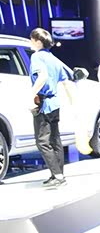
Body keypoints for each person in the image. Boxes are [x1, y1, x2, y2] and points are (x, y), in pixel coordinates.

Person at [28, 28, 74, 187]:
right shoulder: (53, 58)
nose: (30, 42)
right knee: (55, 140)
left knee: (42, 141)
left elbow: (42, 76)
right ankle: (58, 175)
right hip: (55, 103)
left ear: (37, 41)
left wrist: (31, 94)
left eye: (31, 39)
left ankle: (58, 175)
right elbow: (67, 78)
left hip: (43, 104)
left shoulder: (37, 56)